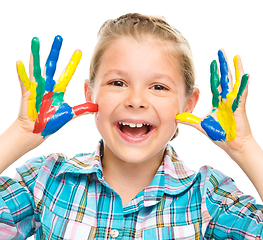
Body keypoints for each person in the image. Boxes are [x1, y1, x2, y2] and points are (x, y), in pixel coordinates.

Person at [0, 12, 263, 239]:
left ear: (188, 104)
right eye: (118, 83)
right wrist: (21, 133)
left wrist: (244, 147)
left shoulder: (207, 196)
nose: (136, 101)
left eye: (158, 87)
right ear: (90, 94)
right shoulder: (46, 179)